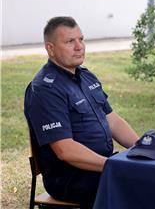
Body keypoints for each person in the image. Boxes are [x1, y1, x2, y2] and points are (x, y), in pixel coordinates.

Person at [24, 16, 139, 208]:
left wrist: (141, 148)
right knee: (142, 187)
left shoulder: (86, 76)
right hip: (71, 178)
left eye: (81, 39)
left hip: (100, 166)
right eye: (70, 41)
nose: (79, 46)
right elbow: (65, 151)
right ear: (50, 49)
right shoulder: (45, 89)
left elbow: (113, 121)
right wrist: (112, 167)